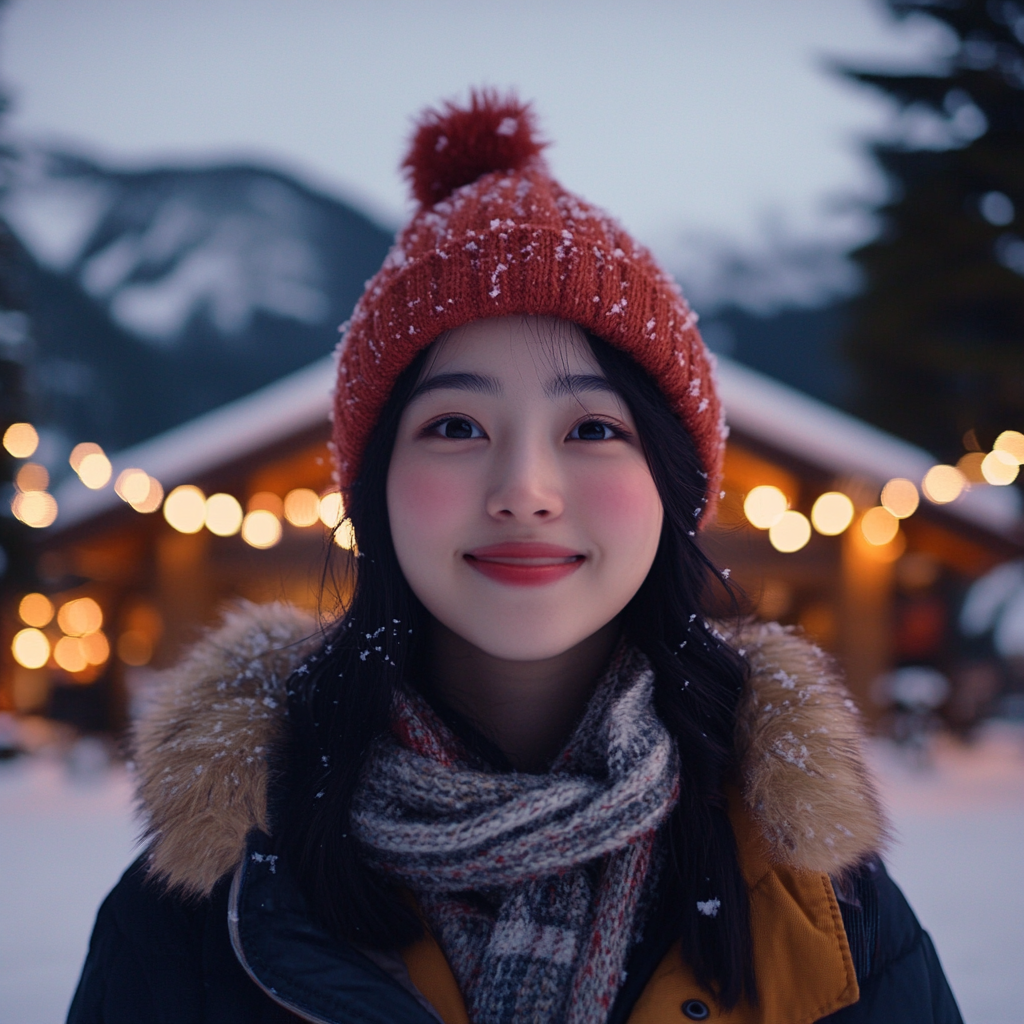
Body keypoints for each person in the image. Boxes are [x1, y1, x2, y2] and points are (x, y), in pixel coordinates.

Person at [68, 92, 963, 1024]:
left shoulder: (818, 901)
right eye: (456, 424)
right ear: (373, 491)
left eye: (592, 426)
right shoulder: (203, 909)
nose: (525, 488)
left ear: (671, 484)